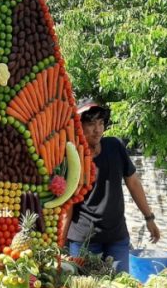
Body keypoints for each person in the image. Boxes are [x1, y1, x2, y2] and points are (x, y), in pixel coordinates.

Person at [64, 99, 161, 273]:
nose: (98, 130)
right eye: (91, 124)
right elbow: (68, 203)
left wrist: (149, 218)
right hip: (84, 240)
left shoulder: (114, 146)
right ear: (78, 126)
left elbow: (133, 182)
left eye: (101, 123)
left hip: (117, 237)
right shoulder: (71, 157)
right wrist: (60, 243)